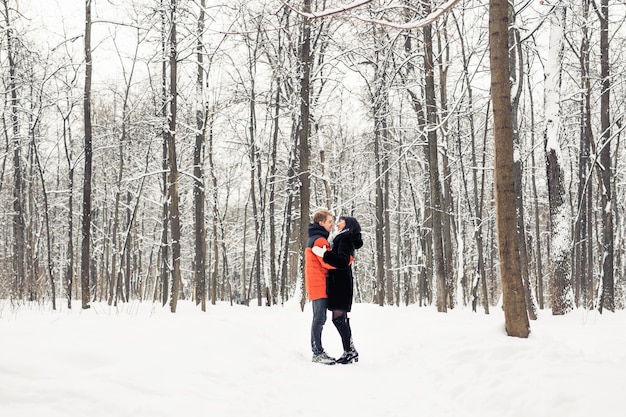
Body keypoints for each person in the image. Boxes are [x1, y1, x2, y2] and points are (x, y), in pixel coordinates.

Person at [312, 216, 362, 364]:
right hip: (340, 283)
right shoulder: (342, 237)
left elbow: (342, 262)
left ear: (347, 224)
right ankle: (350, 350)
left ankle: (350, 351)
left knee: (339, 319)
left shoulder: (344, 238)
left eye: (340, 220)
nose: (337, 223)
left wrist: (325, 255)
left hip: (341, 284)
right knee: (341, 319)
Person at [304, 209, 336, 364]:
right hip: (319, 283)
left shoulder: (315, 238)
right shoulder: (320, 241)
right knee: (319, 318)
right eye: (330, 221)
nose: (332, 225)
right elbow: (328, 263)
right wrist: (346, 260)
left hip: (315, 283)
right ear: (321, 223)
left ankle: (317, 351)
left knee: (318, 318)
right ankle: (317, 353)